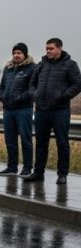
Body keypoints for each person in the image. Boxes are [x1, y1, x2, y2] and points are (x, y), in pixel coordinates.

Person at [24, 38, 81, 183]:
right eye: (47, 49)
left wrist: (63, 96)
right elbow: (32, 84)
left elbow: (77, 84)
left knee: (62, 142)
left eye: (51, 48)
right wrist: (34, 94)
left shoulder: (69, 65)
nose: (48, 51)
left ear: (59, 48)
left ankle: (62, 174)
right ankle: (38, 173)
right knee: (41, 143)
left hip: (60, 110)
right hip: (41, 110)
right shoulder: (41, 65)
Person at [0, 43, 36, 176]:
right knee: (10, 140)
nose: (16, 55)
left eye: (19, 53)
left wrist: (20, 98)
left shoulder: (32, 68)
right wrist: (3, 97)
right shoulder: (8, 68)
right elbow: (2, 87)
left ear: (25, 54)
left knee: (25, 139)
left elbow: (32, 89)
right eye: (14, 53)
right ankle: (12, 167)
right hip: (8, 109)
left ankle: (27, 168)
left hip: (23, 109)